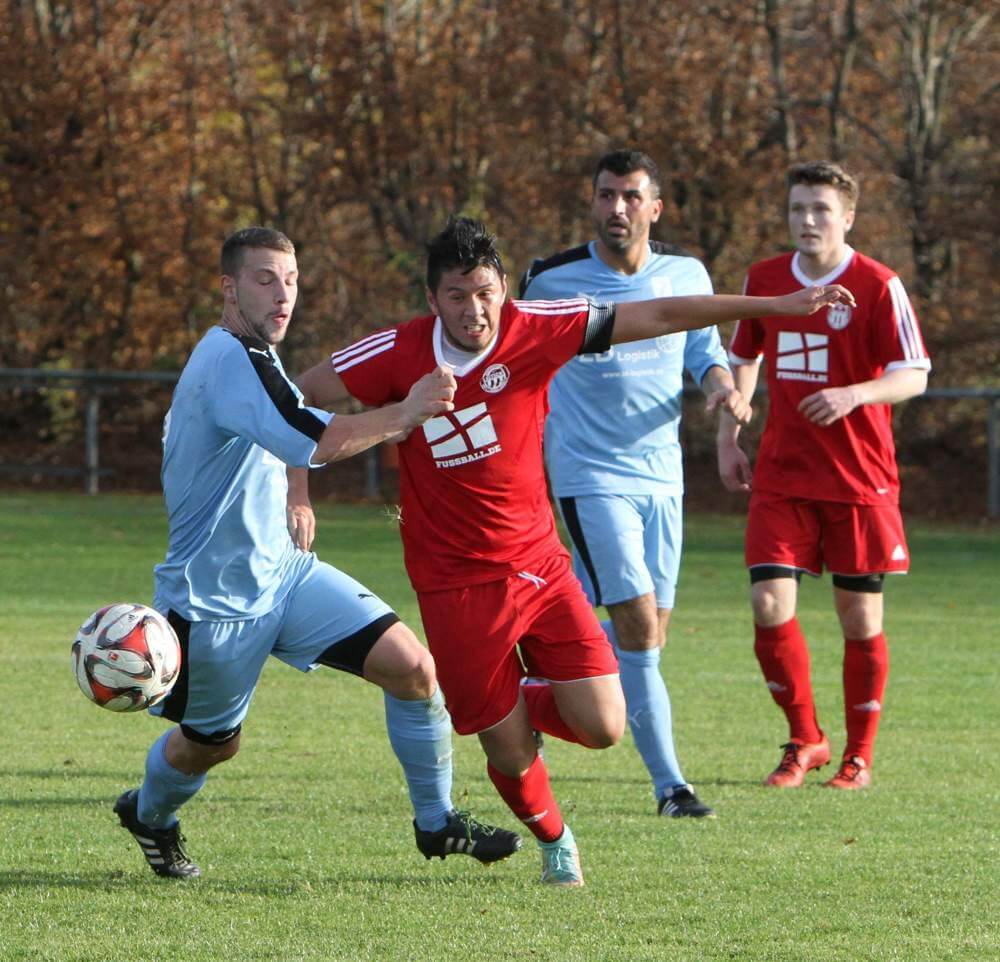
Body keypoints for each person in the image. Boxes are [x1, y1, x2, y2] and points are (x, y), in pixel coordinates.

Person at [291, 216, 853, 885]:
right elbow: (299, 397)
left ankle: (519, 691)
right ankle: (556, 841)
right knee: (508, 747)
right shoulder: (397, 352)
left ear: (503, 286)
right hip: (453, 586)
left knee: (604, 725)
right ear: (433, 300)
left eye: (485, 291)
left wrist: (776, 306)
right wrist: (300, 491)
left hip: (539, 565)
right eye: (457, 296)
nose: (475, 310)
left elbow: (665, 311)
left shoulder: (537, 326)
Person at [113, 226, 522, 879]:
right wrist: (405, 411)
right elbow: (319, 437)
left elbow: (283, 430)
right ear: (229, 287)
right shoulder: (227, 360)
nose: (282, 295)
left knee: (413, 668)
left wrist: (293, 496)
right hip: (215, 603)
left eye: (292, 280)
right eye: (264, 279)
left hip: (285, 574)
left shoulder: (256, 354)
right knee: (211, 746)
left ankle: (436, 823)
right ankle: (150, 815)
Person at [519, 148, 748, 819]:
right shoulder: (553, 280)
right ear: (592, 202)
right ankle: (672, 787)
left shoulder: (686, 273)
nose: (616, 209)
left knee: (645, 630)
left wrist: (722, 389)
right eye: (605, 195)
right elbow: (512, 363)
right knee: (639, 626)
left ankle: (532, 676)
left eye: (630, 196)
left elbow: (705, 352)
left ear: (655, 206)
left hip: (663, 478)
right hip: (588, 476)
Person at [720, 161, 930, 790]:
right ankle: (805, 738)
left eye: (820, 209)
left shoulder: (878, 284)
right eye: (796, 210)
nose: (807, 221)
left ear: (848, 217)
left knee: (859, 622)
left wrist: (854, 395)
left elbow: (914, 373)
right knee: (766, 603)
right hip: (783, 477)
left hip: (859, 480)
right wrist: (731, 433)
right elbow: (742, 357)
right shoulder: (766, 280)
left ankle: (858, 756)